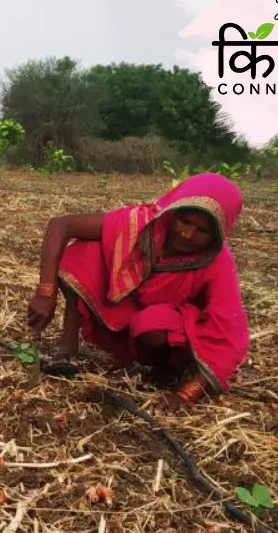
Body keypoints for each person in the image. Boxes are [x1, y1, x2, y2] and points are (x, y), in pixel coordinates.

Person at [25, 172, 249, 409]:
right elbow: (62, 224)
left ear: (217, 235)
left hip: (166, 331)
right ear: (173, 211)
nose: (187, 233)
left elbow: (227, 328)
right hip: (123, 311)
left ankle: (166, 368)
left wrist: (187, 394)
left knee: (152, 323)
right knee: (83, 254)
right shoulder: (144, 224)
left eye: (202, 231)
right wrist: (45, 292)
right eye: (185, 221)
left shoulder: (216, 262)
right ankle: (67, 348)